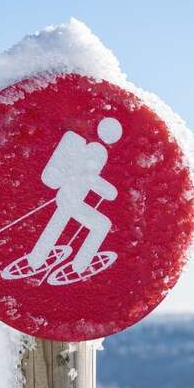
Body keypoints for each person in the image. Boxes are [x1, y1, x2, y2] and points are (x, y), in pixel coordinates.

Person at [26, 117, 121, 274]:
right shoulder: (94, 151)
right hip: (70, 198)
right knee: (94, 224)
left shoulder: (95, 150)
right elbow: (87, 177)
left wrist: (105, 188)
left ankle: (41, 259)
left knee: (59, 223)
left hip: (71, 198)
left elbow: (90, 179)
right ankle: (76, 265)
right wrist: (106, 189)